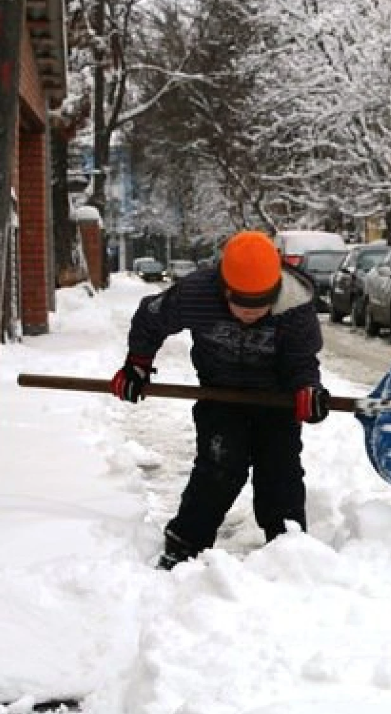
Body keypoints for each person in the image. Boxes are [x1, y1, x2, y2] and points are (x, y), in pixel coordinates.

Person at [110, 230, 331, 569]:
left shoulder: (294, 304)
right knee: (218, 468)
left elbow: (302, 361)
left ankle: (290, 551)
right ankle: (184, 546)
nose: (249, 315)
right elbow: (150, 318)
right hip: (219, 394)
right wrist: (137, 365)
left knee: (280, 472)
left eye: (260, 307)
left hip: (276, 401)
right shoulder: (197, 293)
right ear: (224, 289)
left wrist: (308, 390)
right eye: (241, 306)